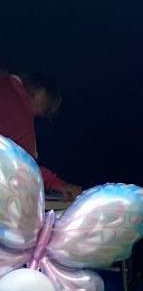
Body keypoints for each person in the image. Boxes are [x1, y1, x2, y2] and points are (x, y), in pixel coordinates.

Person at [0, 70, 82, 200]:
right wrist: (59, 185)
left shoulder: (4, 82)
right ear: (40, 94)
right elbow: (25, 169)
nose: (36, 117)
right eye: (43, 111)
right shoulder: (20, 115)